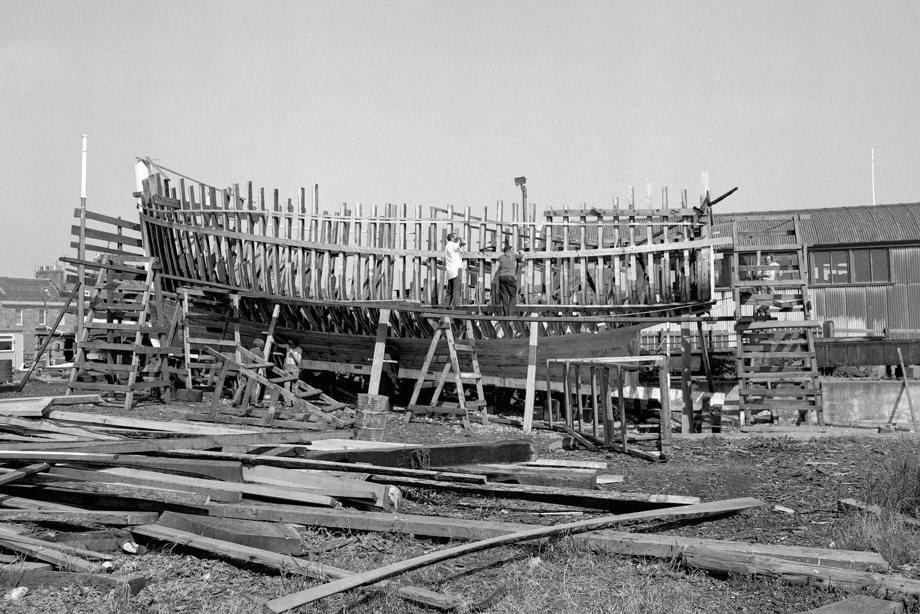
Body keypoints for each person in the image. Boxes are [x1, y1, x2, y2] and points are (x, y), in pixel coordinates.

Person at [232, 340, 264, 409]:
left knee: (241, 386)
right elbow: (263, 363)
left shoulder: (249, 350)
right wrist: (264, 372)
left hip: (245, 370)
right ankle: (253, 402)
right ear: (261, 345)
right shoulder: (261, 353)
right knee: (253, 387)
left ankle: (235, 400)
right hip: (252, 371)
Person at [494, 244, 523, 315]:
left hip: (501, 277)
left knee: (504, 296)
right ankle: (510, 313)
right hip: (510, 277)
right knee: (513, 296)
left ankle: (506, 314)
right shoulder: (513, 256)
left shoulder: (501, 257)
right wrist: (522, 252)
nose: (513, 251)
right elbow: (521, 256)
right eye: (512, 250)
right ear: (509, 250)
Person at [443, 232, 465, 308]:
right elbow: (463, 242)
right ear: (452, 238)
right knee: (456, 289)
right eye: (455, 236)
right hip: (456, 269)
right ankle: (456, 306)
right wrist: (459, 237)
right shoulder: (453, 245)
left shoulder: (447, 246)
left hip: (450, 271)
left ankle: (446, 305)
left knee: (449, 289)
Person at [281, 338, 303, 405]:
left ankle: (294, 401)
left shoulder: (299, 349)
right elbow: (280, 345)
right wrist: (274, 342)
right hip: (287, 367)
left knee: (294, 385)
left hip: (294, 367)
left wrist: (293, 353)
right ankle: (287, 402)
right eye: (290, 345)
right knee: (286, 384)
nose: (291, 347)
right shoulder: (288, 346)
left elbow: (299, 361)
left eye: (292, 345)